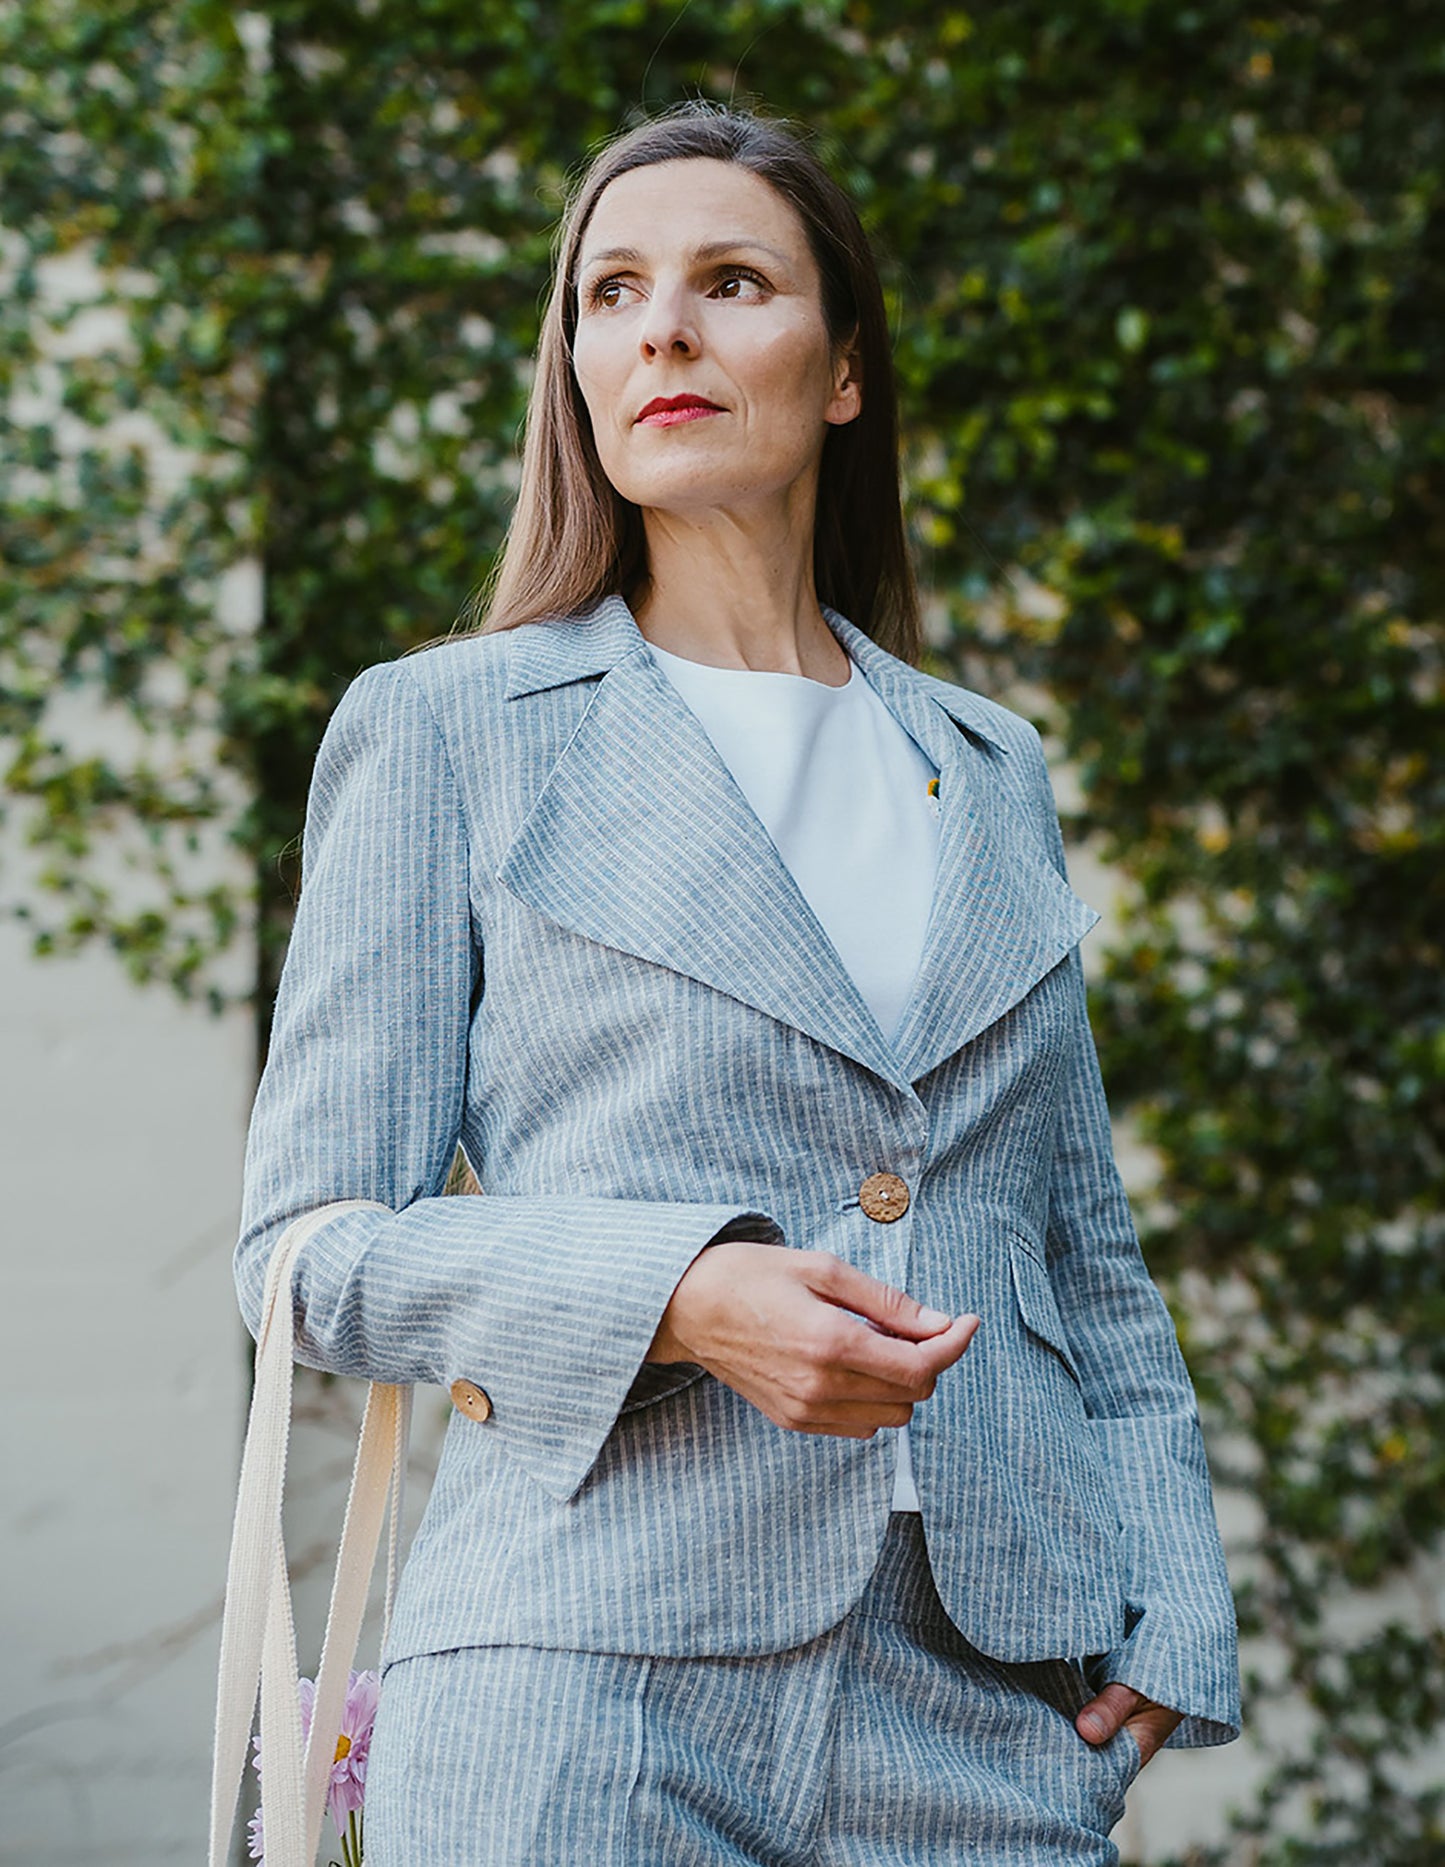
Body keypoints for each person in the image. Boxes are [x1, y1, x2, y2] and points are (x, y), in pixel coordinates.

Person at [235, 100, 1240, 1865]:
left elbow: (1075, 1240)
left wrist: (1166, 1579)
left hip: (984, 1715)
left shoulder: (987, 766)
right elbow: (306, 1251)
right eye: (610, 293)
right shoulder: (443, 730)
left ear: (841, 369)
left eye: (727, 282)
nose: (662, 332)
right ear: (577, 366)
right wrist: (678, 1294)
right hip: (580, 1693)